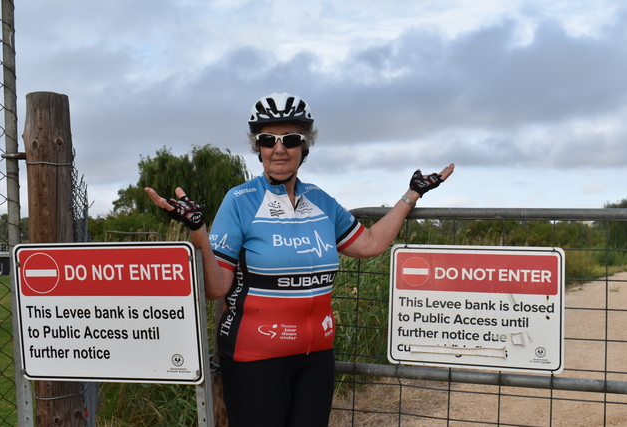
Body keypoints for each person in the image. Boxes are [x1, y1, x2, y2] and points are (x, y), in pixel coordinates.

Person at [145, 92, 454, 427]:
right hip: (254, 357)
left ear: (304, 146)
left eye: (290, 139)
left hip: (315, 357)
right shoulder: (240, 201)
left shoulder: (319, 199)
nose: (279, 148)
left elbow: (370, 243)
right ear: (258, 147)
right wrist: (198, 231)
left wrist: (412, 194)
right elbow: (216, 288)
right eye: (268, 140)